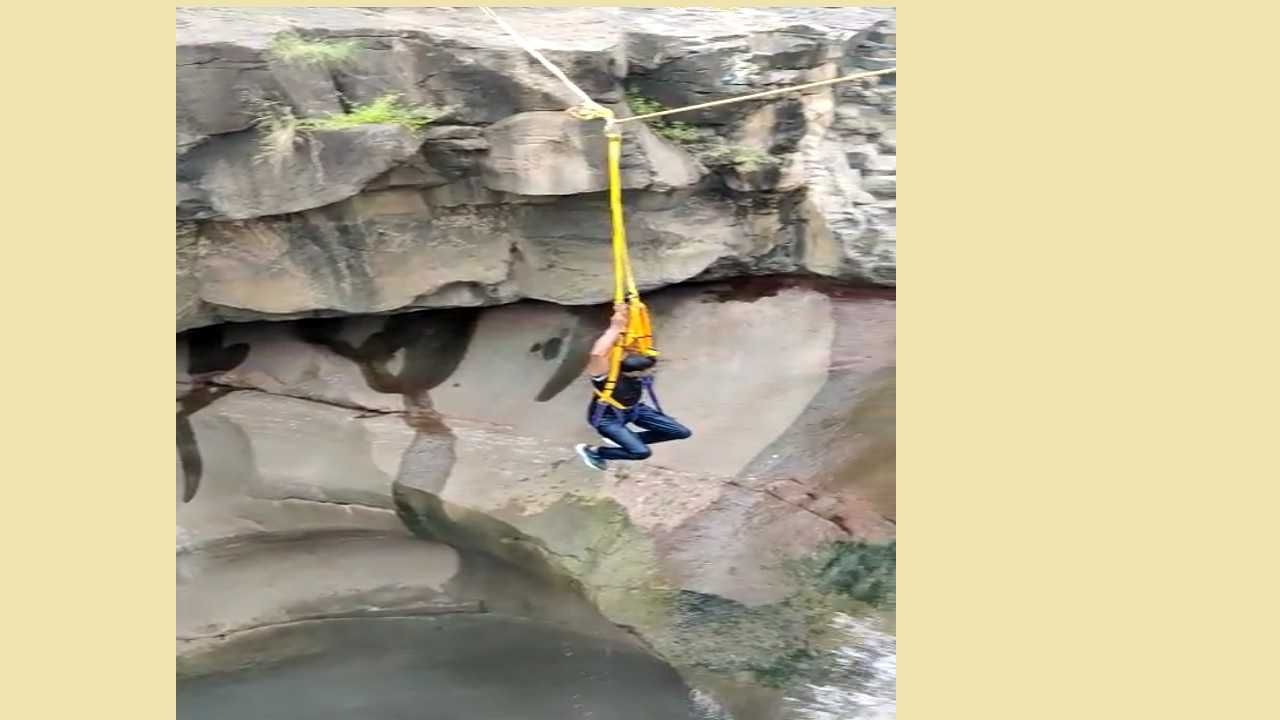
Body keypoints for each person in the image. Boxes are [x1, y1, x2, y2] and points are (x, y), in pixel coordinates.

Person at [575, 304, 692, 471]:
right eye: (639, 374)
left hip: (634, 409)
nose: (643, 376)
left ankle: (625, 438)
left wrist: (624, 314)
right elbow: (597, 354)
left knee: (680, 432)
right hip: (607, 418)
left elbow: (639, 342)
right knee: (641, 452)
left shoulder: (639, 368)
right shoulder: (605, 376)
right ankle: (594, 451)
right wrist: (614, 328)